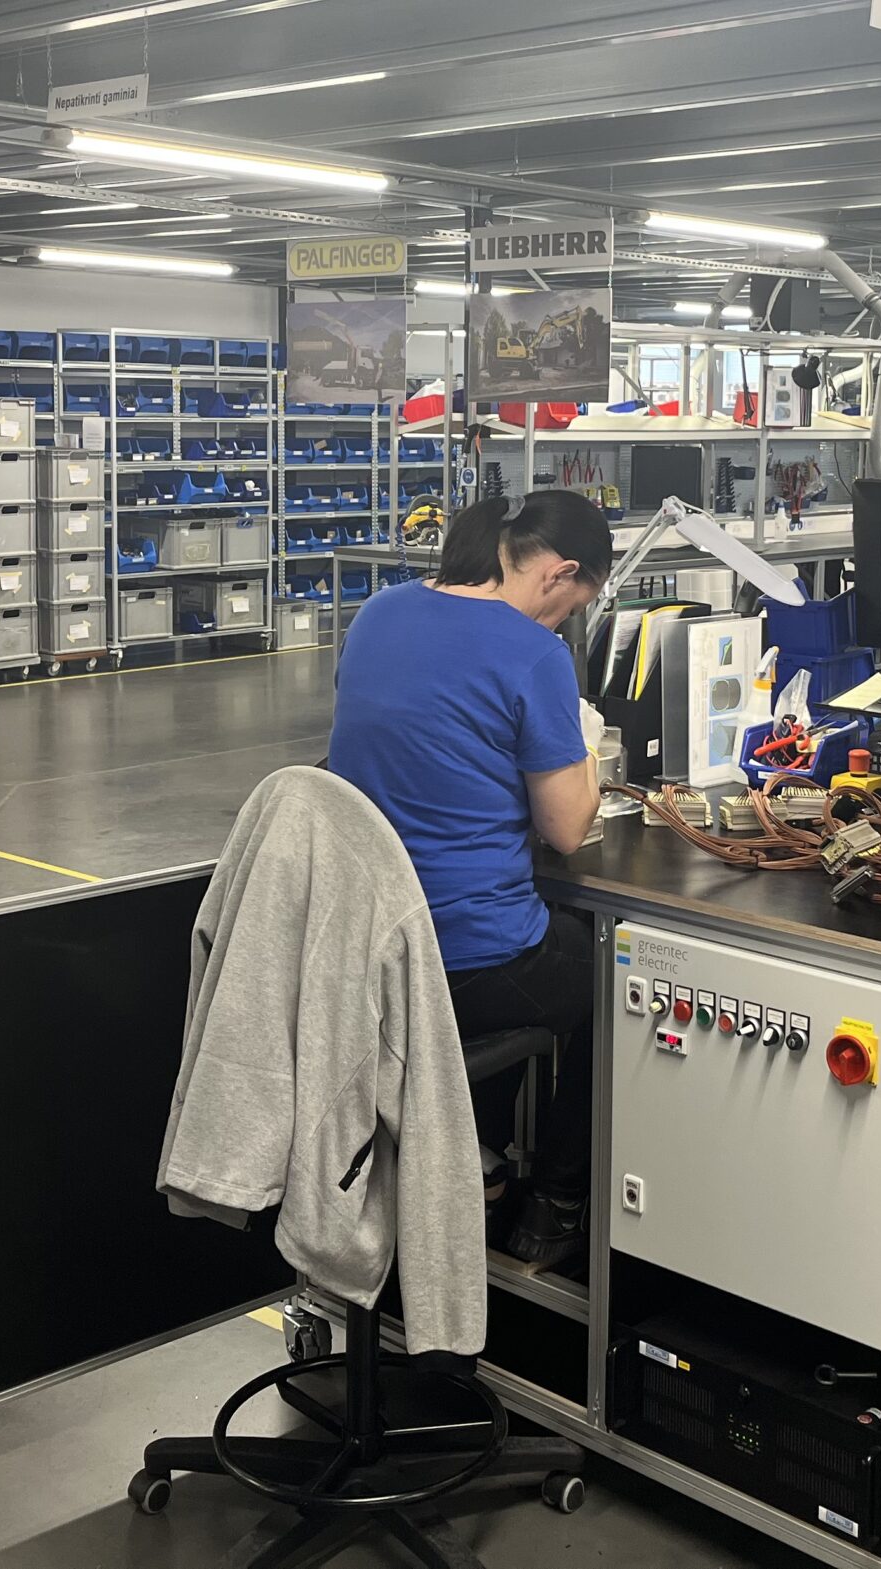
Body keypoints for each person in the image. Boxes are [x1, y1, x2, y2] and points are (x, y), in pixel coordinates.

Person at [327, 490, 613, 1269]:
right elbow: (566, 828)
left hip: (370, 950)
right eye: (570, 609)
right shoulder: (533, 654)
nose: (561, 625)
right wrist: (586, 747)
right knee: (614, 979)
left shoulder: (378, 613)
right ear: (558, 574)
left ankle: (476, 1155)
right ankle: (556, 1202)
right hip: (463, 957)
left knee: (527, 959)